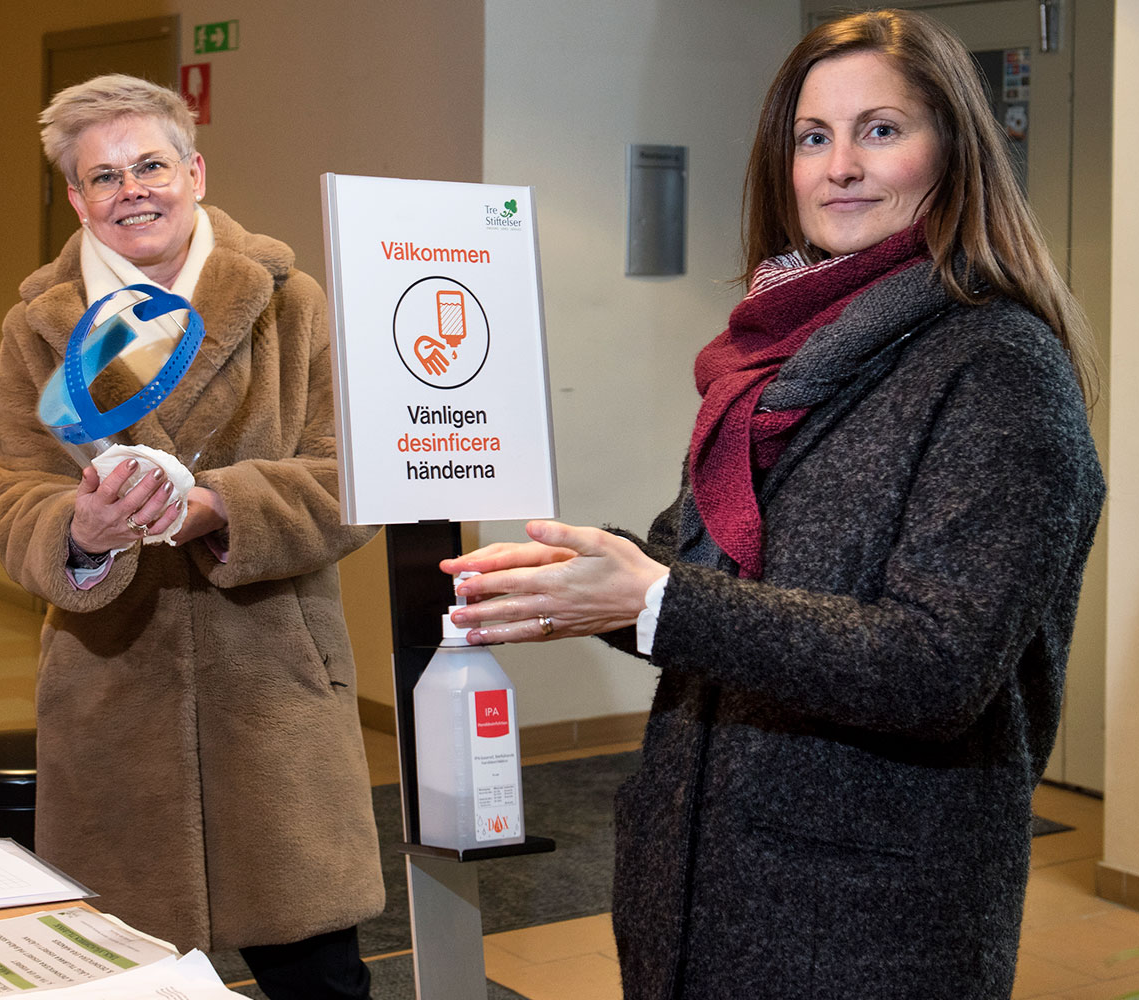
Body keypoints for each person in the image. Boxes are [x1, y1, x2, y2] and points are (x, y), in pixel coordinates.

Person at [443, 10, 1104, 999]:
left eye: (879, 129)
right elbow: (695, 589)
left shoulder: (997, 366)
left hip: (865, 917)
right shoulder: (767, 363)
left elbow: (936, 668)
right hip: (694, 885)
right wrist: (579, 579)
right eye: (811, 136)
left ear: (953, 151)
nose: (839, 164)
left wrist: (653, 597)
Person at [0, 74, 382, 999]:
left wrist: (218, 507)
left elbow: (351, 478)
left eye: (151, 164)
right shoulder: (37, 329)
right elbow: (13, 496)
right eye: (106, 176)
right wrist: (77, 529)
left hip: (275, 680)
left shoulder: (292, 303)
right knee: (124, 976)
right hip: (111, 686)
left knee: (320, 976)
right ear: (78, 199)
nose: (134, 190)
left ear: (194, 171)